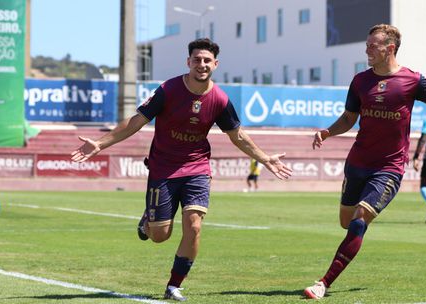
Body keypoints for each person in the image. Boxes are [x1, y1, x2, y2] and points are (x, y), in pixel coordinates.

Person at [71, 38, 293, 301]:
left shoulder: (220, 99)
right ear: (188, 62)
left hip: (197, 168)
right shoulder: (168, 90)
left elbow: (238, 136)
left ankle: (174, 284)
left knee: (194, 225)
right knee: (159, 236)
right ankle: (149, 220)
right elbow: (136, 122)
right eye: (197, 60)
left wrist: (265, 158)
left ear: (215, 64)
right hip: (163, 168)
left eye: (207, 60)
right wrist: (100, 143)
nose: (202, 64)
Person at [305, 24, 426, 300]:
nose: (367, 49)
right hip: (358, 161)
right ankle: (357, 231)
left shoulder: (413, 80)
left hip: (389, 168)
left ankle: (323, 283)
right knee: (346, 221)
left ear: (390, 48)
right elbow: (349, 119)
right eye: (367, 44)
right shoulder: (359, 81)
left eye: (372, 45)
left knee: (359, 220)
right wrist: (327, 132)